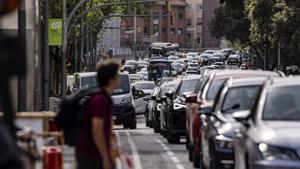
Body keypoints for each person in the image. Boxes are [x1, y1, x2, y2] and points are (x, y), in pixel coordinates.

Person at [76, 60, 120, 169]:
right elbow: (97, 131)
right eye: (117, 74)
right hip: (91, 156)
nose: (119, 77)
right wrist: (105, 157)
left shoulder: (105, 98)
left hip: (94, 154)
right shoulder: (99, 100)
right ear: (111, 79)